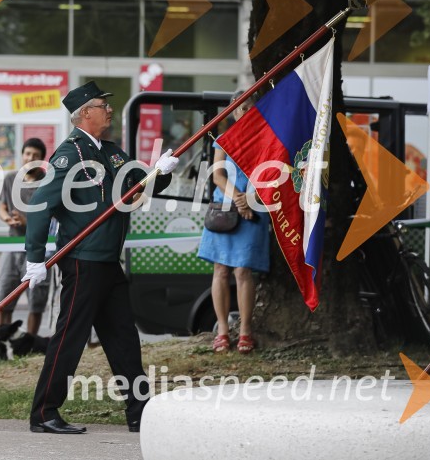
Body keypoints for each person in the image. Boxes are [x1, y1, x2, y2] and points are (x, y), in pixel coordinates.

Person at [22, 81, 179, 434]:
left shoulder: (111, 152)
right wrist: (35, 256)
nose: (109, 109)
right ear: (85, 113)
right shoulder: (68, 155)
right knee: (71, 337)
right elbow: (39, 206)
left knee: (124, 338)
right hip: (83, 259)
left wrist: (160, 172)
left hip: (108, 260)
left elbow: (137, 187)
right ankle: (44, 412)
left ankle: (140, 412)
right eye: (102, 105)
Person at [197, 91, 270, 354]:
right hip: (226, 210)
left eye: (248, 106)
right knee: (221, 271)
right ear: (232, 111)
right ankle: (223, 331)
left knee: (242, 271)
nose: (243, 111)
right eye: (239, 107)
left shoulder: (267, 140)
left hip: (254, 208)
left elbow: (270, 176)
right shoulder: (223, 140)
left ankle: (246, 331)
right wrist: (239, 200)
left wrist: (248, 201)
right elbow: (217, 175)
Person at [0, 138, 49, 361]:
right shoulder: (10, 179)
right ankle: (1, 347)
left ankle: (30, 346)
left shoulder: (47, 182)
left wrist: (27, 222)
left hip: (38, 248)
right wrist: (8, 219)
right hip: (12, 246)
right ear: (21, 155)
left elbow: (49, 216)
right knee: (4, 295)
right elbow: (2, 208)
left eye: (35, 155)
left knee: (37, 299)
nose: (30, 158)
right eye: (27, 154)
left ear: (42, 159)